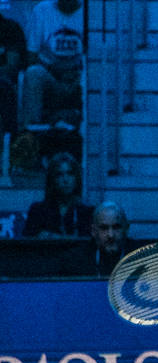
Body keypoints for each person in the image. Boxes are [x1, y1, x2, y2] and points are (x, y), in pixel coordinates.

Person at [22, 0, 83, 130]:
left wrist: (77, 76)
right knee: (33, 73)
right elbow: (32, 55)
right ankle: (32, 129)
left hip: (80, 78)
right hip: (51, 76)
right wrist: (53, 71)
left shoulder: (91, 13)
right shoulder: (41, 10)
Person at [22, 151, 92, 237]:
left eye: (70, 174)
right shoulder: (38, 211)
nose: (65, 180)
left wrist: (53, 236)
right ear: (52, 179)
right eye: (59, 175)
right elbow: (26, 243)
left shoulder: (85, 213)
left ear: (76, 178)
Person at [0, 10, 26, 138]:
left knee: (4, 87)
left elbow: (12, 66)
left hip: (3, 83)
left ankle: (11, 142)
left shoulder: (10, 29)